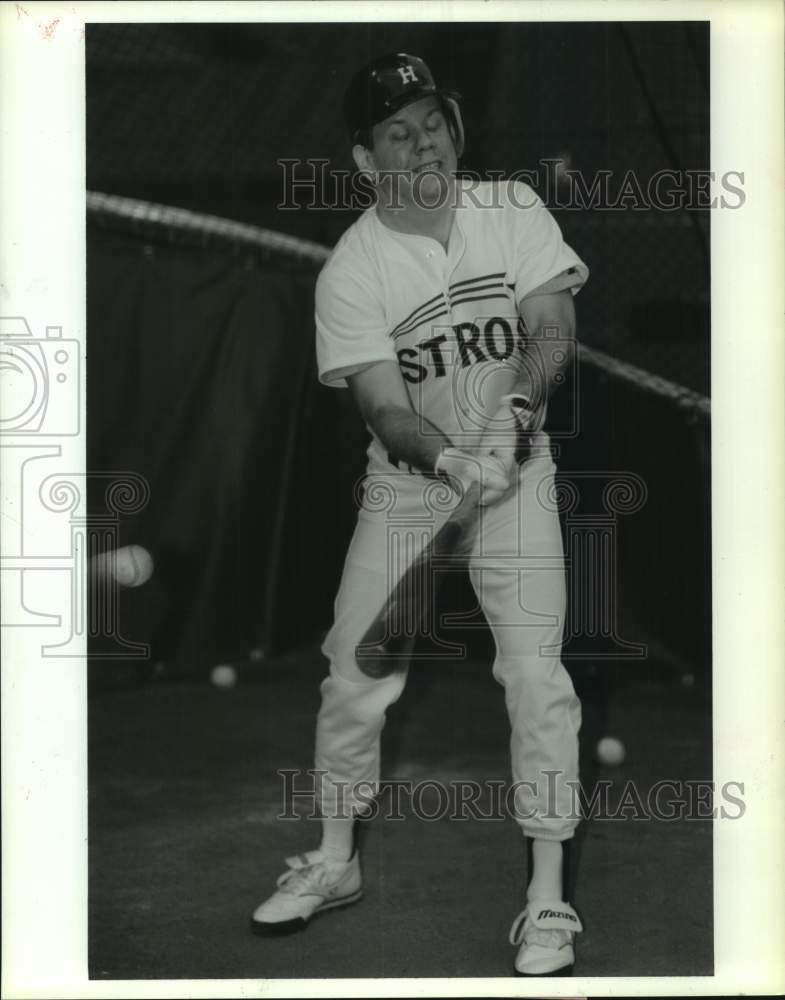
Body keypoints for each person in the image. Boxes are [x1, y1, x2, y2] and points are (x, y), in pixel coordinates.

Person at [252, 52, 589, 977]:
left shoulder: (509, 212)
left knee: (533, 674)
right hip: (410, 492)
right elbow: (382, 407)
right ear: (366, 161)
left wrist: (514, 419)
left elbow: (549, 325)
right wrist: (445, 457)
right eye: (398, 131)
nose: (424, 141)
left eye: (433, 120)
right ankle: (333, 860)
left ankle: (547, 894)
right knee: (353, 671)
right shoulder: (352, 270)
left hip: (516, 479)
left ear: (455, 129)